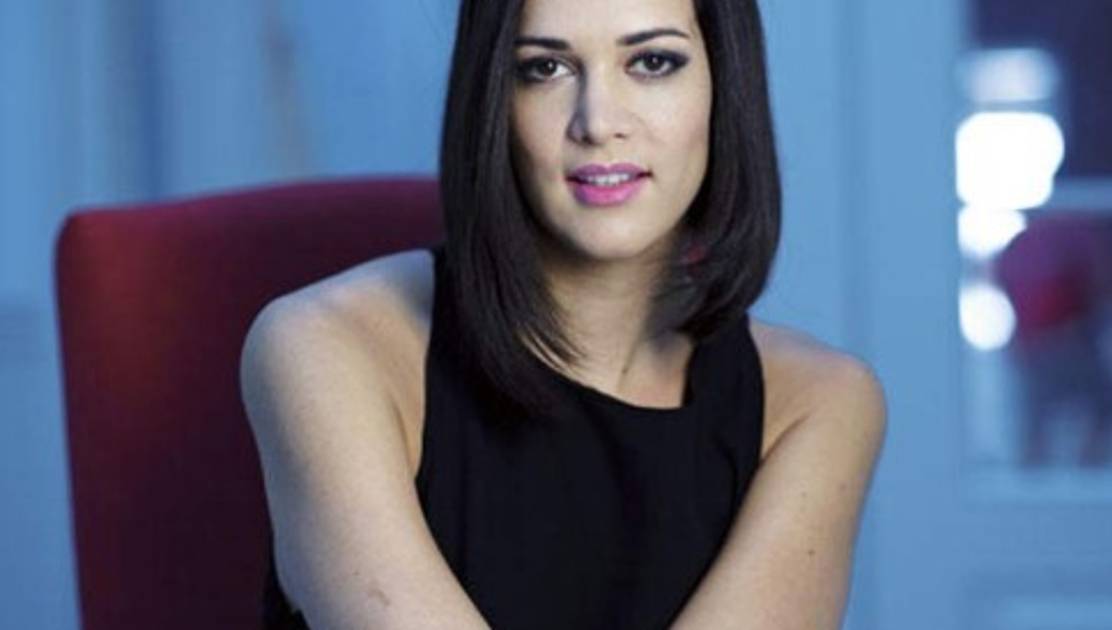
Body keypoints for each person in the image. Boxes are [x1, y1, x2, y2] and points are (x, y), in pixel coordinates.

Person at [239, 0, 887, 628]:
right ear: (493, 98)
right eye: (544, 68)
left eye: (653, 62)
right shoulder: (324, 349)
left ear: (725, 83)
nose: (598, 121)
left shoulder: (818, 401)